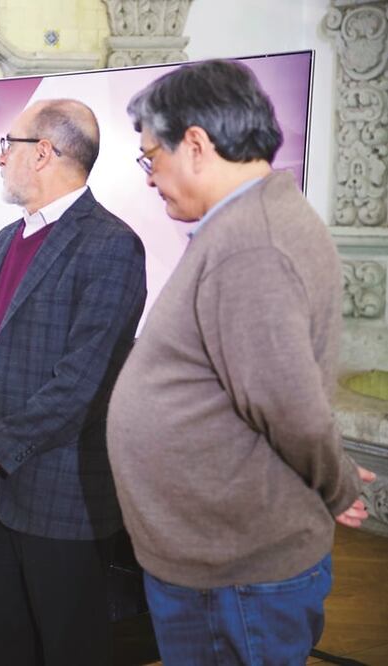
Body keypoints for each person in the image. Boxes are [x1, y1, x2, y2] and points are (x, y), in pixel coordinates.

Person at [108, 59, 377, 665]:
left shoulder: (252, 242)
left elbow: (289, 407)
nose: (150, 177)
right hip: (220, 559)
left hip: (236, 571)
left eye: (152, 157)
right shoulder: (248, 224)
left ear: (197, 145)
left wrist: (331, 482)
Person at [0, 99, 147, 665]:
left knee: (67, 647)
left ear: (45, 153)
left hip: (61, 492)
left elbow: (84, 380)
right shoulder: (8, 238)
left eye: (8, 145)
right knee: (3, 647)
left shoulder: (111, 245)